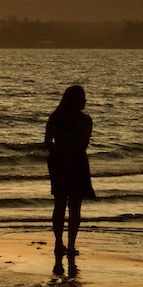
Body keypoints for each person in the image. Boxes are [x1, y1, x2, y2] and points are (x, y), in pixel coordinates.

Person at [45, 84, 94, 274]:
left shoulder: (54, 118)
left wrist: (59, 155)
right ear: (76, 100)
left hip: (58, 162)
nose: (85, 101)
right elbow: (83, 145)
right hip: (76, 163)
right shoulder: (85, 120)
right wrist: (70, 157)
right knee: (74, 206)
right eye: (83, 98)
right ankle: (70, 245)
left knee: (59, 204)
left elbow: (48, 142)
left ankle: (59, 243)